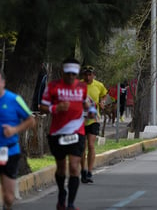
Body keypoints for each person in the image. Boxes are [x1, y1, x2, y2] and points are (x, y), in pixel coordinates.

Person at [40, 58, 90, 210]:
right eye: (68, 74)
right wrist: (56, 108)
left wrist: (89, 109)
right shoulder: (53, 87)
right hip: (58, 133)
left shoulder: (82, 87)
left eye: (73, 74)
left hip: (77, 132)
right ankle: (62, 194)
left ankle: (71, 204)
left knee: (74, 167)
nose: (71, 77)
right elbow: (42, 106)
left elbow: (86, 104)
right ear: (62, 72)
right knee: (61, 168)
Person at [0, 71, 35, 210]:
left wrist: (14, 130)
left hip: (9, 151)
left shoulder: (14, 100)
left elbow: (31, 120)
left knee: (9, 197)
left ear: (3, 82)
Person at [80, 65, 108, 184]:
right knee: (82, 147)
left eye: (90, 74)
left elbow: (104, 94)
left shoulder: (98, 85)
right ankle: (83, 170)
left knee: (91, 145)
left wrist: (102, 102)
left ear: (93, 75)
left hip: (94, 119)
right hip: (80, 120)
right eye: (85, 74)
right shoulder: (78, 85)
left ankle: (90, 171)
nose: (88, 77)